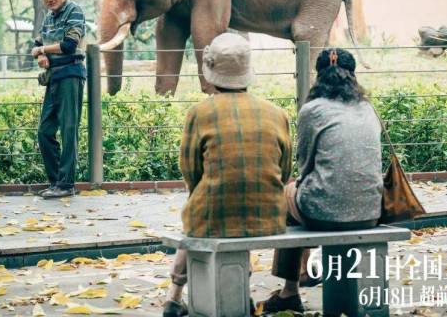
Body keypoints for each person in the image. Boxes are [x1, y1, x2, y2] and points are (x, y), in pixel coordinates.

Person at [163, 33, 293, 317]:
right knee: (235, 208)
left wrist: (205, 190)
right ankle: (239, 291)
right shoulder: (276, 113)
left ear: (211, 73)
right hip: (269, 215)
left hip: (213, 214)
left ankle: (174, 295)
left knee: (203, 211)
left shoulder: (199, 112)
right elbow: (285, 171)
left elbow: (190, 171)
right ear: (247, 72)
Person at [259, 48, 383, 314]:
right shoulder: (367, 108)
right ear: (353, 75)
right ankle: (305, 274)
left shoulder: (312, 109)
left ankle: (290, 290)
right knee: (309, 195)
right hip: (371, 210)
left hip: (323, 212)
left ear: (318, 76)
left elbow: (304, 166)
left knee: (286, 195)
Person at [31, 0, 86, 199]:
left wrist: (43, 49)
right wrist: (42, 54)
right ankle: (56, 182)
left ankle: (66, 184)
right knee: (45, 131)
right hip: (53, 77)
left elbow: (69, 45)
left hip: (70, 75)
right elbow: (36, 45)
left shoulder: (74, 10)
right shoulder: (48, 18)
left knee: (68, 129)